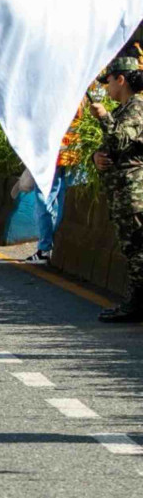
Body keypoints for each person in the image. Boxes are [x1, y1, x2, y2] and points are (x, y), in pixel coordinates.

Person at [92, 55, 143, 323]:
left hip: (134, 194)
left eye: (109, 81)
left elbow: (120, 139)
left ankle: (135, 306)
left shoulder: (136, 108)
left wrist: (103, 116)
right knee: (133, 249)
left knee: (137, 250)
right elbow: (112, 149)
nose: (106, 87)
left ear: (121, 79)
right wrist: (95, 158)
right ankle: (135, 304)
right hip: (123, 194)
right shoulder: (126, 109)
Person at [24, 110, 83, 264]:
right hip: (70, 154)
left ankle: (45, 248)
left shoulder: (54, 92)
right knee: (58, 200)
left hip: (51, 155)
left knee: (44, 199)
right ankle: (50, 247)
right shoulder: (78, 92)